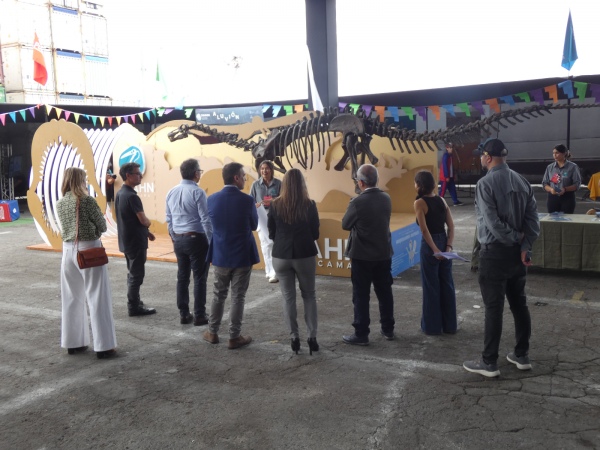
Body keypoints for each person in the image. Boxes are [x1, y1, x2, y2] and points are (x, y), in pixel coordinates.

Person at [463, 138, 540, 378]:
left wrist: (516, 238)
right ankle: (521, 354)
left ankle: (489, 362)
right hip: (518, 256)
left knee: (493, 308)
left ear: (487, 157)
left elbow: (493, 224)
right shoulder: (522, 181)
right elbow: (533, 221)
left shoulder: (485, 184)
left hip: (495, 253)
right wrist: (525, 246)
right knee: (519, 303)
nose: (480, 159)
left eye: (481, 156)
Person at [56, 167, 117, 359]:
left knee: (72, 297)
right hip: (89, 249)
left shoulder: (61, 203)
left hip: (67, 251)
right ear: (80, 181)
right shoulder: (87, 201)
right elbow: (103, 225)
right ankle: (104, 346)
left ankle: (73, 343)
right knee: (98, 296)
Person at [203, 162, 259, 350]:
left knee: (218, 294)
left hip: (220, 255)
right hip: (242, 255)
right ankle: (234, 337)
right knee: (238, 297)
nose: (245, 178)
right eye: (243, 175)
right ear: (236, 178)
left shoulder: (211, 199)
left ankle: (212, 332)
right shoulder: (247, 201)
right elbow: (253, 225)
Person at [267, 169, 320, 355]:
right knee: (309, 295)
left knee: (288, 298)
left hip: (281, 256)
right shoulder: (310, 205)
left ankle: (294, 337)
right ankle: (312, 337)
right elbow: (315, 233)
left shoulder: (275, 205)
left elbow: (271, 232)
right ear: (302, 184)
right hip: (304, 254)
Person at [341, 164, 395, 345]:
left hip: (362, 256)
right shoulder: (386, 198)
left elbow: (345, 224)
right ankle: (388, 329)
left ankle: (361, 333)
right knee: (385, 292)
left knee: (361, 295)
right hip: (383, 254)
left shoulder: (357, 202)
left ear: (361, 182)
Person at [166, 159, 213, 326]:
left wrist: (174, 237)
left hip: (179, 238)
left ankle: (184, 314)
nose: (200, 173)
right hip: (196, 238)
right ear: (195, 173)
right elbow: (205, 219)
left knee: (182, 277)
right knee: (200, 277)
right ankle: (200, 314)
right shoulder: (198, 192)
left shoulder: (171, 192)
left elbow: (169, 219)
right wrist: (211, 241)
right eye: (199, 171)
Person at [413, 170, 457, 335]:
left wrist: (435, 250)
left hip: (430, 245)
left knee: (431, 286)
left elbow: (424, 230)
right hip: (445, 242)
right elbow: (451, 227)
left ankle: (432, 328)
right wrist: (448, 248)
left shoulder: (419, 203)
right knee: (447, 284)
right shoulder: (442, 200)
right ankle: (450, 326)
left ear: (419, 185)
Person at [115, 162, 157, 317]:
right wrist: (148, 225)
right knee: (136, 275)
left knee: (132, 272)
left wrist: (146, 232)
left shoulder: (121, 194)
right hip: (136, 242)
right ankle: (133, 306)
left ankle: (135, 301)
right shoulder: (132, 196)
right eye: (137, 173)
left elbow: (129, 219)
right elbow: (143, 220)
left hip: (127, 241)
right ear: (128, 176)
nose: (140, 176)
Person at [250, 160, 282, 283]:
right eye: (262, 169)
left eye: (267, 168)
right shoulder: (255, 185)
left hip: (276, 218)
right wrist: (256, 205)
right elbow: (250, 201)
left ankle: (275, 271)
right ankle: (269, 271)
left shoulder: (279, 184)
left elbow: (284, 199)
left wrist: (273, 202)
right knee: (265, 245)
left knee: (274, 244)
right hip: (261, 218)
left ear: (271, 170)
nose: (264, 171)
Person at [541, 144, 582, 214]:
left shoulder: (573, 167)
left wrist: (565, 189)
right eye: (553, 153)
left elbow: (577, 184)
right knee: (553, 220)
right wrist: (551, 189)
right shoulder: (550, 167)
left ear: (564, 153)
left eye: (557, 153)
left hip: (567, 198)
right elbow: (544, 183)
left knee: (566, 221)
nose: (555, 155)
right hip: (553, 198)